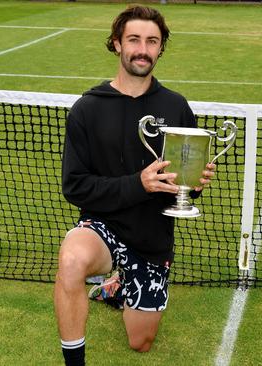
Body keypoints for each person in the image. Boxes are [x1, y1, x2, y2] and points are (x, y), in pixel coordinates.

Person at [54, 5, 215, 365]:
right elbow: (75, 187)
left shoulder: (176, 106)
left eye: (152, 41)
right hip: (102, 228)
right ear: (116, 44)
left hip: (151, 239)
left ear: (160, 49)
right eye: (134, 40)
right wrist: (138, 184)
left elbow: (181, 181)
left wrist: (195, 183)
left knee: (140, 343)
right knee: (71, 258)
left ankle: (115, 288)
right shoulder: (87, 109)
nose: (143, 49)